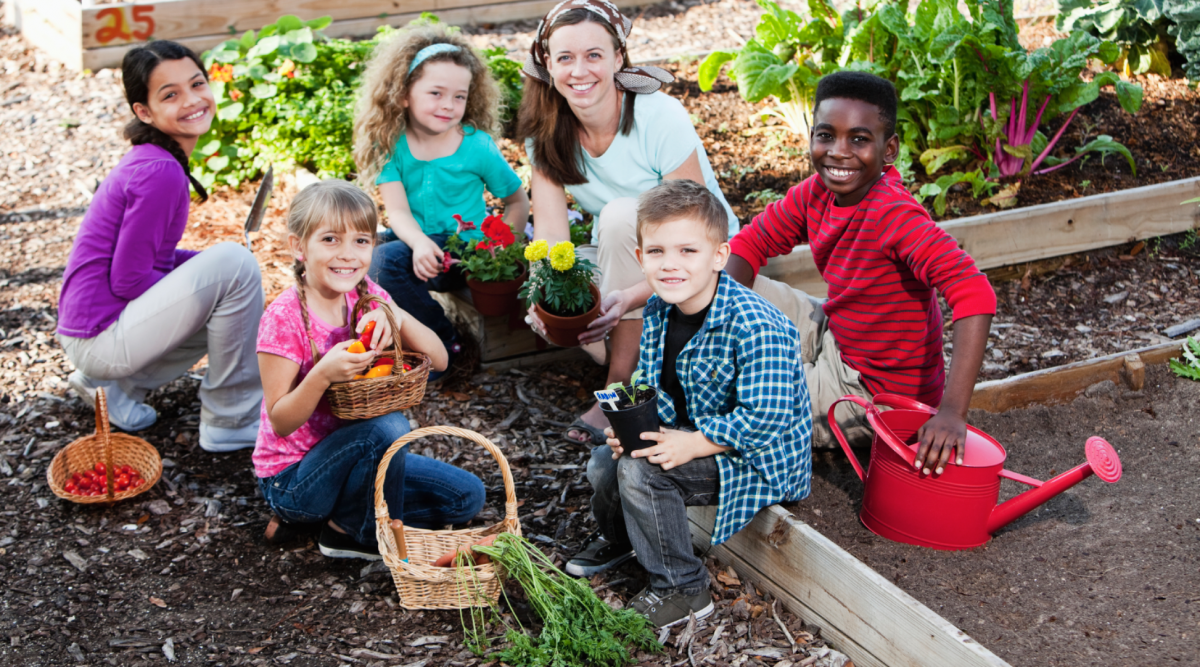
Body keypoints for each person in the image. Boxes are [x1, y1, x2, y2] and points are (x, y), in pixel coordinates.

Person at [565, 180, 812, 628]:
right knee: (605, 461)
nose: (671, 265)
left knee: (641, 472)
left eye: (688, 251)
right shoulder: (660, 309)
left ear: (720, 255)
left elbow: (767, 418)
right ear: (640, 259)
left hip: (755, 457)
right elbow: (659, 385)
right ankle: (625, 539)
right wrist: (632, 429)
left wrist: (694, 443)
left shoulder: (756, 325)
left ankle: (683, 587)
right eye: (657, 252)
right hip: (695, 433)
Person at [727, 71, 997, 475]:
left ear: (889, 149)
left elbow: (975, 293)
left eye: (858, 139)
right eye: (826, 135)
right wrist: (714, 320)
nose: (838, 152)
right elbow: (749, 246)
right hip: (838, 331)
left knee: (738, 397)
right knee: (713, 293)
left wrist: (952, 412)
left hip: (875, 390)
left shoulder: (893, 215)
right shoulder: (815, 193)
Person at [517, 0, 738, 446]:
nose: (580, 71)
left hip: (699, 261)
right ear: (548, 64)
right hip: (626, 256)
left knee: (620, 215)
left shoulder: (658, 116)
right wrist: (543, 302)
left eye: (594, 55)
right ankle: (633, 359)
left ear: (619, 58)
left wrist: (626, 299)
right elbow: (551, 237)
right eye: (565, 58)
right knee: (571, 283)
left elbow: (691, 229)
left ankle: (619, 386)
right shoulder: (546, 134)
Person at [254, 180, 484, 559]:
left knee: (465, 497)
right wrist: (323, 374)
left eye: (361, 241)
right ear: (298, 247)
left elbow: (440, 360)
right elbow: (280, 421)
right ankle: (349, 532)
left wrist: (395, 313)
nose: (348, 255)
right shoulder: (285, 318)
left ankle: (348, 514)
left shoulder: (367, 295)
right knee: (390, 426)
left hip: (360, 461)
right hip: (296, 480)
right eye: (330, 239)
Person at [56, 41, 263, 452]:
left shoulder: (154, 159)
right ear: (144, 112)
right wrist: (225, 272)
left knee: (231, 281)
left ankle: (113, 390)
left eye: (197, 84)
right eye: (170, 94)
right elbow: (130, 279)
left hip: (91, 331)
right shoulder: (160, 172)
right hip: (99, 335)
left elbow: (156, 263)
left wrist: (213, 272)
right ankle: (232, 420)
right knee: (235, 268)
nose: (192, 100)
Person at [354, 23, 529, 370]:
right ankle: (377, 339)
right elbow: (398, 213)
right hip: (418, 246)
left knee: (383, 262)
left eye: (459, 96)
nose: (448, 105)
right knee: (358, 250)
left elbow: (517, 200)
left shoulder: (476, 146)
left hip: (464, 253)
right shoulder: (392, 144)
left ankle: (445, 348)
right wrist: (418, 243)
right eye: (436, 93)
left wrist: (500, 253)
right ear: (404, 94)